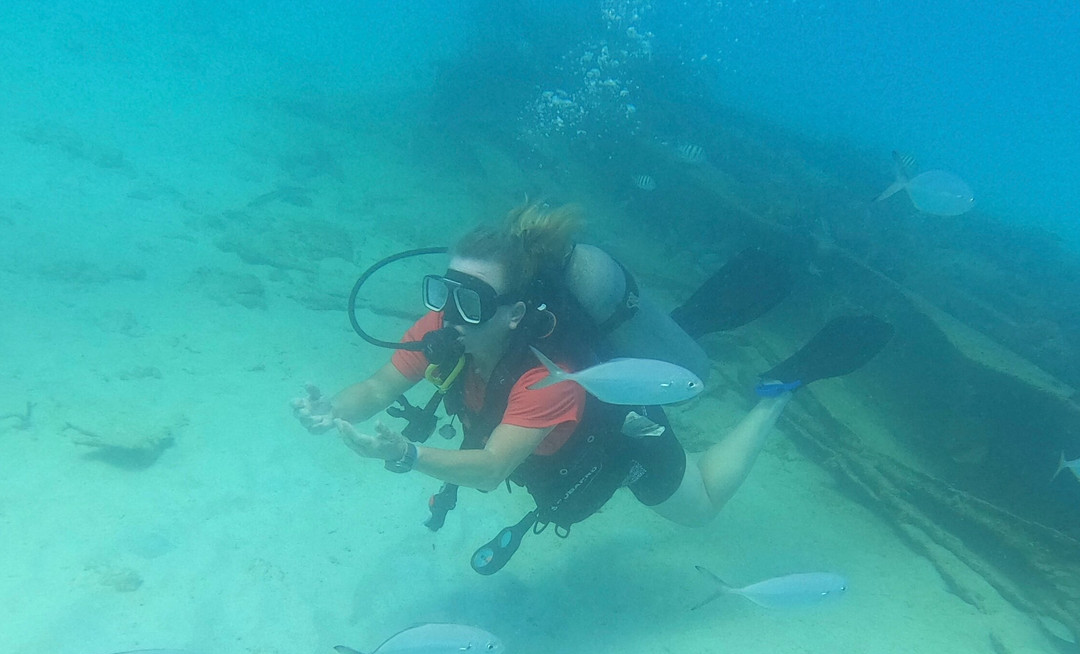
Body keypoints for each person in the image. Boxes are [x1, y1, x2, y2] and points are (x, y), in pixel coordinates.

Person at [292, 203, 891, 572]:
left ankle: (780, 389)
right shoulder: (446, 328)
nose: (449, 315)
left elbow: (493, 467)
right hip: (567, 429)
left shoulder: (548, 376)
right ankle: (683, 327)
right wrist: (330, 408)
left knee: (701, 509)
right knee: (665, 350)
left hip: (622, 435)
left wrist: (406, 453)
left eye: (470, 301)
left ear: (516, 313)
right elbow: (376, 386)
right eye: (444, 292)